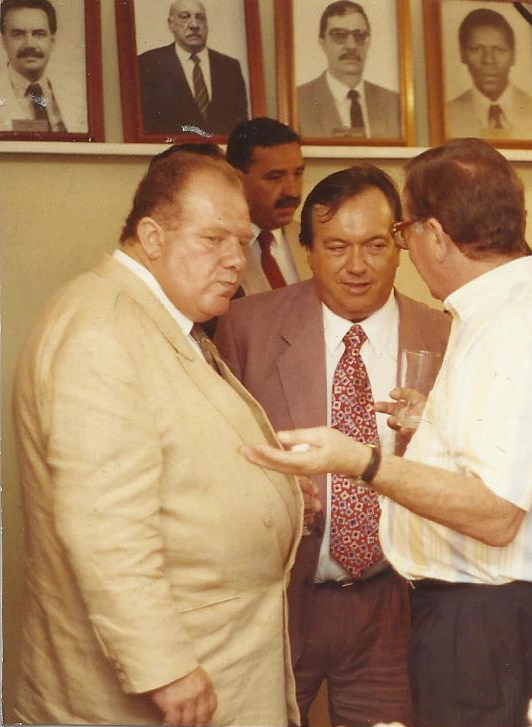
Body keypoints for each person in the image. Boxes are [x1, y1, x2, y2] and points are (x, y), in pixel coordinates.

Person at [242, 138, 532, 727]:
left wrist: (361, 461)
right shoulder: (513, 315)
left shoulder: (510, 330)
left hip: (487, 628)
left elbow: (493, 511)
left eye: (398, 235)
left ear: (433, 234)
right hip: (488, 622)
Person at [11, 151, 302, 725]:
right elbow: (104, 527)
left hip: (218, 656)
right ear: (150, 236)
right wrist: (164, 668)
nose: (233, 262)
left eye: (240, 242)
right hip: (167, 678)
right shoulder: (103, 331)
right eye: (212, 238)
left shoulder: (153, 315)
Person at [215, 165, 449, 727]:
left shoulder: (444, 336)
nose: (357, 266)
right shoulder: (248, 326)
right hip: (281, 600)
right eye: (337, 246)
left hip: (395, 605)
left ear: (400, 245)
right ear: (308, 250)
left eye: (375, 245)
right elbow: (217, 459)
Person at [137, 0, 248, 136]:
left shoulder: (230, 67)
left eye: (200, 18)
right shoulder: (149, 64)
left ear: (207, 24)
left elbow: (240, 126)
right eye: (184, 17)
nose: (194, 25)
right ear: (171, 24)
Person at [226, 117, 307, 296]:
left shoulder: (313, 239)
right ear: (237, 180)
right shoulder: (218, 249)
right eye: (275, 177)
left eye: (298, 174)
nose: (292, 191)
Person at [297, 0, 400, 140]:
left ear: (368, 42)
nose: (351, 45)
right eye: (339, 35)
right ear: (322, 42)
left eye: (359, 35)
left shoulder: (395, 103)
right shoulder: (298, 102)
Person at [445, 8, 532, 141]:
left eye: (499, 50)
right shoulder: (447, 116)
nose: (488, 60)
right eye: (476, 49)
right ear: (463, 54)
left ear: (513, 55)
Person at [0, 0, 79, 132]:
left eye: (39, 34)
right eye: (18, 34)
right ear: (4, 42)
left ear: (52, 41)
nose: (30, 44)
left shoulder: (74, 95)